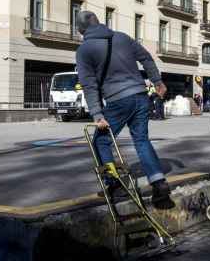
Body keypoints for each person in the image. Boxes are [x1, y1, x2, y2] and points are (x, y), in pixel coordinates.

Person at [75, 11, 175, 210]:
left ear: (80, 30)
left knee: (101, 141)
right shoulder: (121, 37)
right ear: (99, 23)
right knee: (141, 140)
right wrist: (157, 81)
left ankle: (114, 185)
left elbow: (89, 84)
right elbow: (146, 58)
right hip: (140, 96)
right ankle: (159, 184)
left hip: (119, 100)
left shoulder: (84, 50)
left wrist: (97, 114)